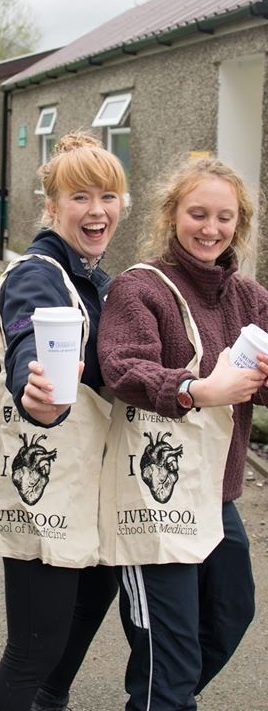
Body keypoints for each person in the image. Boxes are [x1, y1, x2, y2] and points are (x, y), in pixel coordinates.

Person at [97, 155, 268, 710]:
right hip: (154, 498)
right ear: (172, 214)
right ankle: (162, 699)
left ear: (238, 222)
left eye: (224, 216)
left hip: (215, 496)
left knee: (230, 614)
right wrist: (198, 389)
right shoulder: (139, 288)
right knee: (167, 654)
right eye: (198, 213)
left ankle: (162, 697)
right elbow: (123, 367)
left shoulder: (248, 296)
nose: (211, 228)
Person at [0, 132, 126, 711]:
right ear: (52, 205)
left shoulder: (97, 278)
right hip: (45, 478)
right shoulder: (38, 274)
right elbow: (25, 341)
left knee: (87, 607)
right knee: (32, 648)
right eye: (81, 197)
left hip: (91, 479)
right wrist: (33, 390)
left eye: (108, 196)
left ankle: (50, 702)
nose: (97, 211)